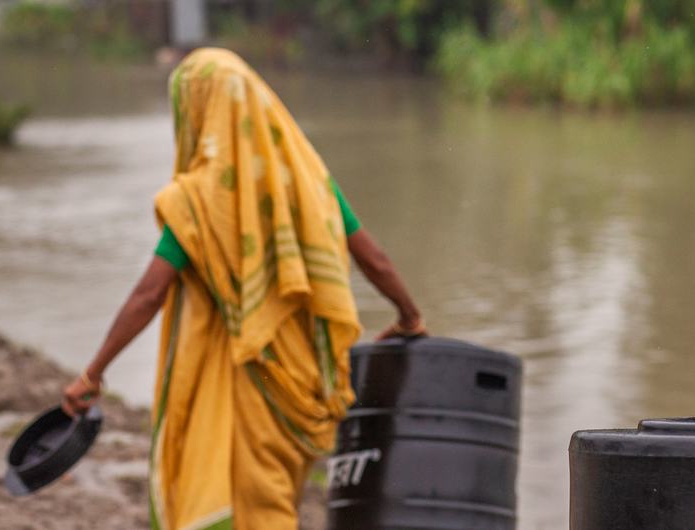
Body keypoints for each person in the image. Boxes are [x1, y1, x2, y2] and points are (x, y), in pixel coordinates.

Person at [60, 48, 425, 530]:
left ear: (197, 110)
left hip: (253, 377)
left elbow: (149, 294)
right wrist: (408, 317)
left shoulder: (200, 199)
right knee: (279, 496)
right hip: (296, 380)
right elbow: (372, 258)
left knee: (261, 507)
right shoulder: (310, 181)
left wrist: (93, 373)